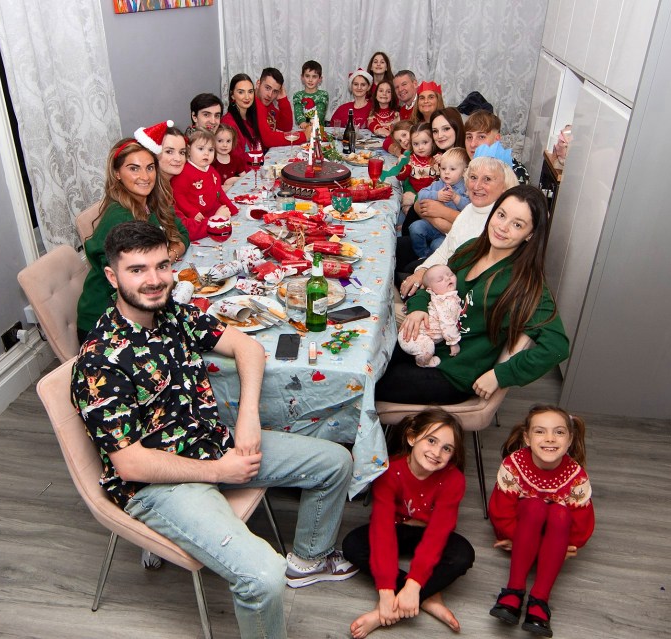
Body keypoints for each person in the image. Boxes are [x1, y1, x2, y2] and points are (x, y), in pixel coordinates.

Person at [72, 221, 358, 639]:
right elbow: (130, 463)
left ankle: (310, 560)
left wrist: (247, 421)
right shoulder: (100, 361)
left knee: (336, 461)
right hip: (160, 483)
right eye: (137, 270)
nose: (153, 280)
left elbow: (248, 347)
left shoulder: (171, 313)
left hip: (214, 444)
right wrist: (220, 473)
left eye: (161, 266)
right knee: (262, 576)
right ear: (113, 277)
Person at [376, 184, 568, 405]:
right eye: (501, 215)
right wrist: (418, 307)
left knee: (371, 384)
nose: (503, 227)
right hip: (425, 343)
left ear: (530, 235)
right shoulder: (471, 249)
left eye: (517, 224)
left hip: (454, 374)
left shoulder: (525, 284)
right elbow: (433, 284)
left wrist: (500, 375)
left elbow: (556, 347)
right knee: (366, 359)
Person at [343, 408, 474, 638]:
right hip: (394, 529)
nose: (437, 452)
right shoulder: (389, 472)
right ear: (412, 437)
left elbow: (437, 535)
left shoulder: (454, 480)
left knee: (463, 554)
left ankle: (408, 598)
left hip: (427, 533)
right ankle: (427, 598)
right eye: (431, 441)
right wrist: (385, 591)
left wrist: (414, 585)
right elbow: (382, 531)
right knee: (352, 544)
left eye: (447, 448)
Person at [488, 405, 594, 638]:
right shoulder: (513, 465)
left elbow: (581, 527)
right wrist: (517, 539)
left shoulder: (576, 476)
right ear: (527, 437)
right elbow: (501, 512)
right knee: (534, 505)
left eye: (558, 432)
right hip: (519, 528)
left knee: (560, 513)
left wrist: (557, 547)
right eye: (540, 432)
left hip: (556, 535)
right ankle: (514, 590)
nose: (549, 439)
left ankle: (540, 599)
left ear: (570, 440)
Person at [75, 128, 190, 341]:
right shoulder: (120, 218)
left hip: (138, 303)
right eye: (134, 169)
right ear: (117, 173)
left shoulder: (151, 203)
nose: (145, 177)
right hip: (105, 321)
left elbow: (183, 234)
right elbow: (124, 283)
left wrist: (169, 256)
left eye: (149, 168)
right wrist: (164, 259)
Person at [397, 155, 518, 293]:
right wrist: (422, 271)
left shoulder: (498, 222)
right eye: (473, 178)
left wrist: (426, 277)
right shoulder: (469, 209)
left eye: (487, 179)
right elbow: (445, 250)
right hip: (444, 269)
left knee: (401, 276)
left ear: (504, 187)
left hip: (453, 285)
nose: (477, 186)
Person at [171, 128, 238, 240]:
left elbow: (219, 192)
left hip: (212, 213)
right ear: (188, 150)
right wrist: (192, 212)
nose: (206, 153)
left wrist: (231, 207)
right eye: (201, 149)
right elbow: (178, 196)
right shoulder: (184, 173)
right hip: (197, 219)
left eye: (211, 150)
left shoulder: (212, 171)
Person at [409, 147, 470, 259]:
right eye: (443, 168)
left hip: (449, 234)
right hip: (432, 225)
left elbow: (468, 209)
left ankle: (432, 259)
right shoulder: (439, 184)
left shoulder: (466, 188)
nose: (446, 172)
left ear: (464, 171)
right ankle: (423, 256)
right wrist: (437, 195)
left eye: (452, 169)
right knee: (415, 227)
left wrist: (456, 198)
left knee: (436, 246)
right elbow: (421, 195)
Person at [397, 265, 462, 367]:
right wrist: (453, 342)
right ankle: (423, 362)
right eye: (440, 280)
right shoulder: (445, 302)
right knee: (427, 349)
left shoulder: (441, 296)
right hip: (414, 335)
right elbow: (447, 323)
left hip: (415, 332)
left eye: (451, 274)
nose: (448, 278)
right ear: (430, 289)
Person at [464, 110, 529, 184]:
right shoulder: (460, 165)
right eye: (469, 137)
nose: (472, 144)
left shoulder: (515, 172)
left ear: (497, 139)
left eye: (481, 137)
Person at [396, 122, 437, 234]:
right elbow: (401, 177)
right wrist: (401, 166)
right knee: (406, 207)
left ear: (433, 141)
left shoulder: (436, 159)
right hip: (412, 190)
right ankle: (407, 227)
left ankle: (413, 228)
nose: (420, 147)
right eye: (416, 144)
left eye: (425, 142)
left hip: (429, 195)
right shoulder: (411, 158)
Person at [221, 73, 262, 170]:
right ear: (232, 95)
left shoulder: (251, 117)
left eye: (250, 92)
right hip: (243, 177)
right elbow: (236, 162)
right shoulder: (228, 123)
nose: (247, 97)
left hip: (256, 170)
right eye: (241, 92)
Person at [382, 70, 418, 156]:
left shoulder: (423, 106)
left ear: (415, 84)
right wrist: (397, 151)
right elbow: (389, 140)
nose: (400, 89)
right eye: (397, 87)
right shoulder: (403, 109)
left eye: (404, 84)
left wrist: (399, 151)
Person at [293, 60, 329, 132]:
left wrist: (311, 124)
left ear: (320, 79)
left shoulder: (323, 95)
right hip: (303, 131)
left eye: (314, 77)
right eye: (307, 76)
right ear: (302, 77)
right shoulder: (297, 95)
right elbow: (298, 111)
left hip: (318, 132)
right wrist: (302, 122)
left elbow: (320, 112)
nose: (310, 80)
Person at [213, 124, 246, 189]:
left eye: (228, 141)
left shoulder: (236, 159)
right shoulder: (211, 161)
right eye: (220, 141)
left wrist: (234, 180)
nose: (225, 145)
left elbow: (245, 178)